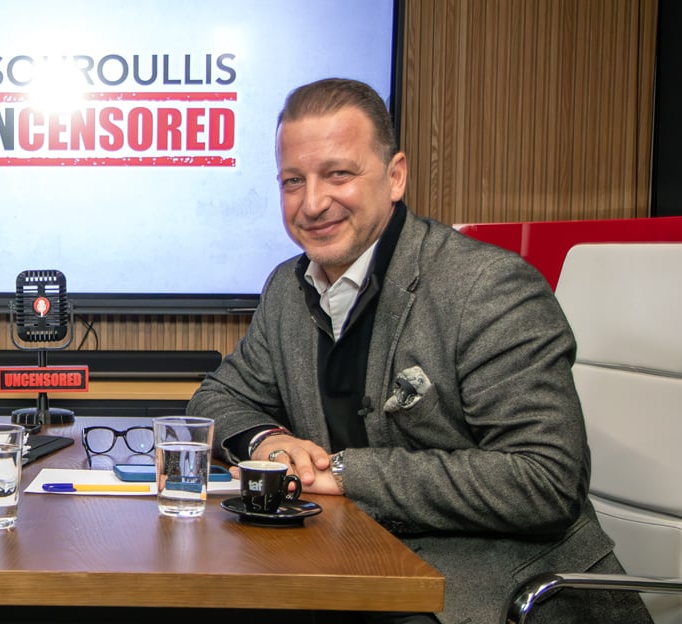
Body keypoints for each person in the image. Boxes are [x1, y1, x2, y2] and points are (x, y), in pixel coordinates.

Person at [187, 78, 652, 624]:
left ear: (396, 176)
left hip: (510, 592)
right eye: (293, 181)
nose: (312, 203)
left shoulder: (487, 286)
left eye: (339, 174)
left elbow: (544, 480)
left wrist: (345, 473)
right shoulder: (288, 288)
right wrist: (268, 441)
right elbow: (216, 399)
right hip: (356, 567)